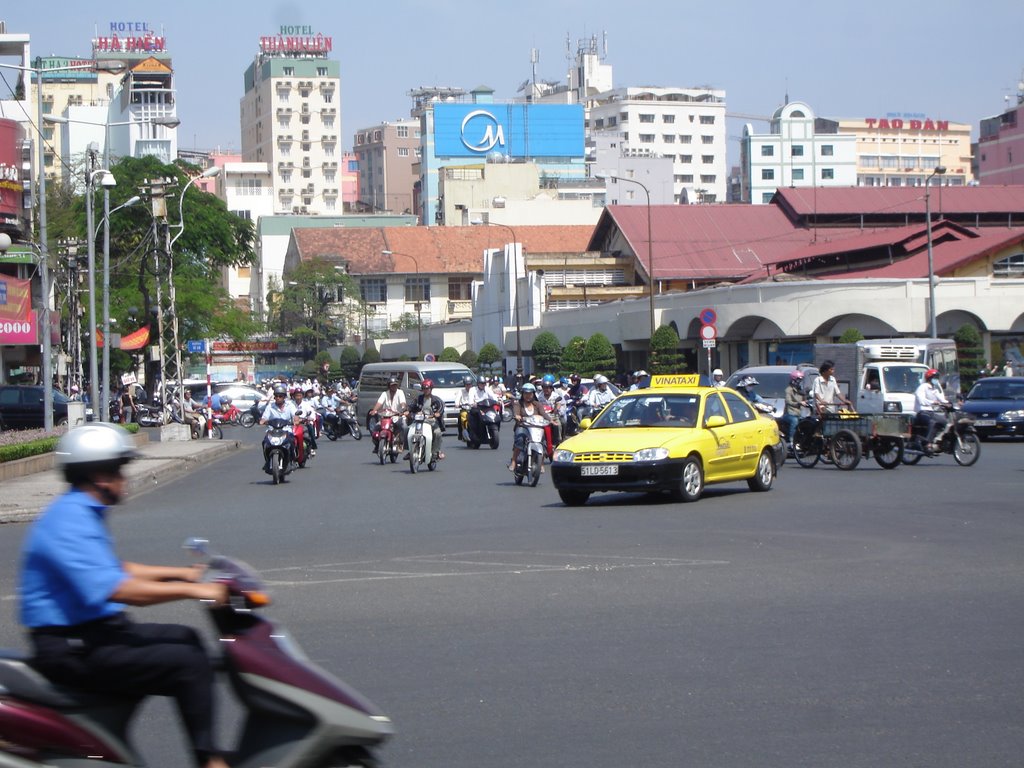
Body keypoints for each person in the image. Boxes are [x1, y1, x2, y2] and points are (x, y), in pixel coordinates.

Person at [18, 423, 229, 768]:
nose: (124, 479)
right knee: (186, 663)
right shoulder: (69, 520)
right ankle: (210, 760)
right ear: (100, 476)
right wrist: (196, 590)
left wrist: (179, 573)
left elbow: (115, 569)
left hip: (92, 636)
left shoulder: (79, 512)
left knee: (187, 638)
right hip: (72, 646)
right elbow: (117, 588)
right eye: (119, 470)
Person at [509, 383, 554, 472]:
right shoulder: (519, 404)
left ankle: (541, 463)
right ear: (522, 394)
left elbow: (543, 414)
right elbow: (516, 412)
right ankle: (514, 461)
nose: (528, 396)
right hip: (523, 426)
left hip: (536, 427)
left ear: (533, 394)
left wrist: (551, 420)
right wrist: (517, 416)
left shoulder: (537, 404)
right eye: (526, 393)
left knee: (543, 441)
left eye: (530, 394)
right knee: (520, 439)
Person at [406, 378, 445, 461]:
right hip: (419, 420)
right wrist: (407, 410)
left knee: (437, 433)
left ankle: (435, 452)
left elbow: (441, 406)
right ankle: (410, 451)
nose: (425, 390)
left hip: (432, 421)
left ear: (431, 389)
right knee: (407, 430)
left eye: (427, 388)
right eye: (424, 388)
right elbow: (412, 405)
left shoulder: (436, 400)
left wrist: (438, 413)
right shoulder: (419, 398)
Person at [914, 368, 950, 451]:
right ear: (929, 378)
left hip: (931, 412)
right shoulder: (922, 387)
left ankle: (937, 440)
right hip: (922, 412)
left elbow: (942, 399)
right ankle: (927, 443)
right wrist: (933, 402)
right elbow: (921, 400)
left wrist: (949, 404)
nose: (936, 380)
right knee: (933, 422)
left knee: (944, 421)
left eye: (937, 378)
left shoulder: (934, 389)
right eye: (935, 378)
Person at [369, 377, 408, 454]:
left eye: (395, 385)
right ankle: (377, 445)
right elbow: (379, 403)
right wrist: (374, 410)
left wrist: (403, 409)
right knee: (375, 428)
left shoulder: (400, 392)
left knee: (404, 427)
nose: (394, 387)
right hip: (385, 417)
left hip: (397, 416)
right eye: (392, 385)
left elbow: (403, 402)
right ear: (389, 386)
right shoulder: (384, 394)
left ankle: (401, 443)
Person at [781, 370, 807, 443]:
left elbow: (805, 400)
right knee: (794, 420)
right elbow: (788, 401)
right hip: (789, 414)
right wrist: (799, 403)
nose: (800, 382)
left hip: (799, 413)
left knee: (807, 421)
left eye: (801, 380)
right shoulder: (789, 390)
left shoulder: (801, 390)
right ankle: (792, 440)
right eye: (798, 380)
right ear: (794, 380)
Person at [454, 375, 475, 441]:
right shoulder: (461, 391)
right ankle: (463, 432)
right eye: (466, 384)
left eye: (469, 384)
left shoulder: (474, 390)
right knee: (463, 418)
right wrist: (457, 404)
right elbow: (457, 398)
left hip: (474, 409)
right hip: (464, 409)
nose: (468, 386)